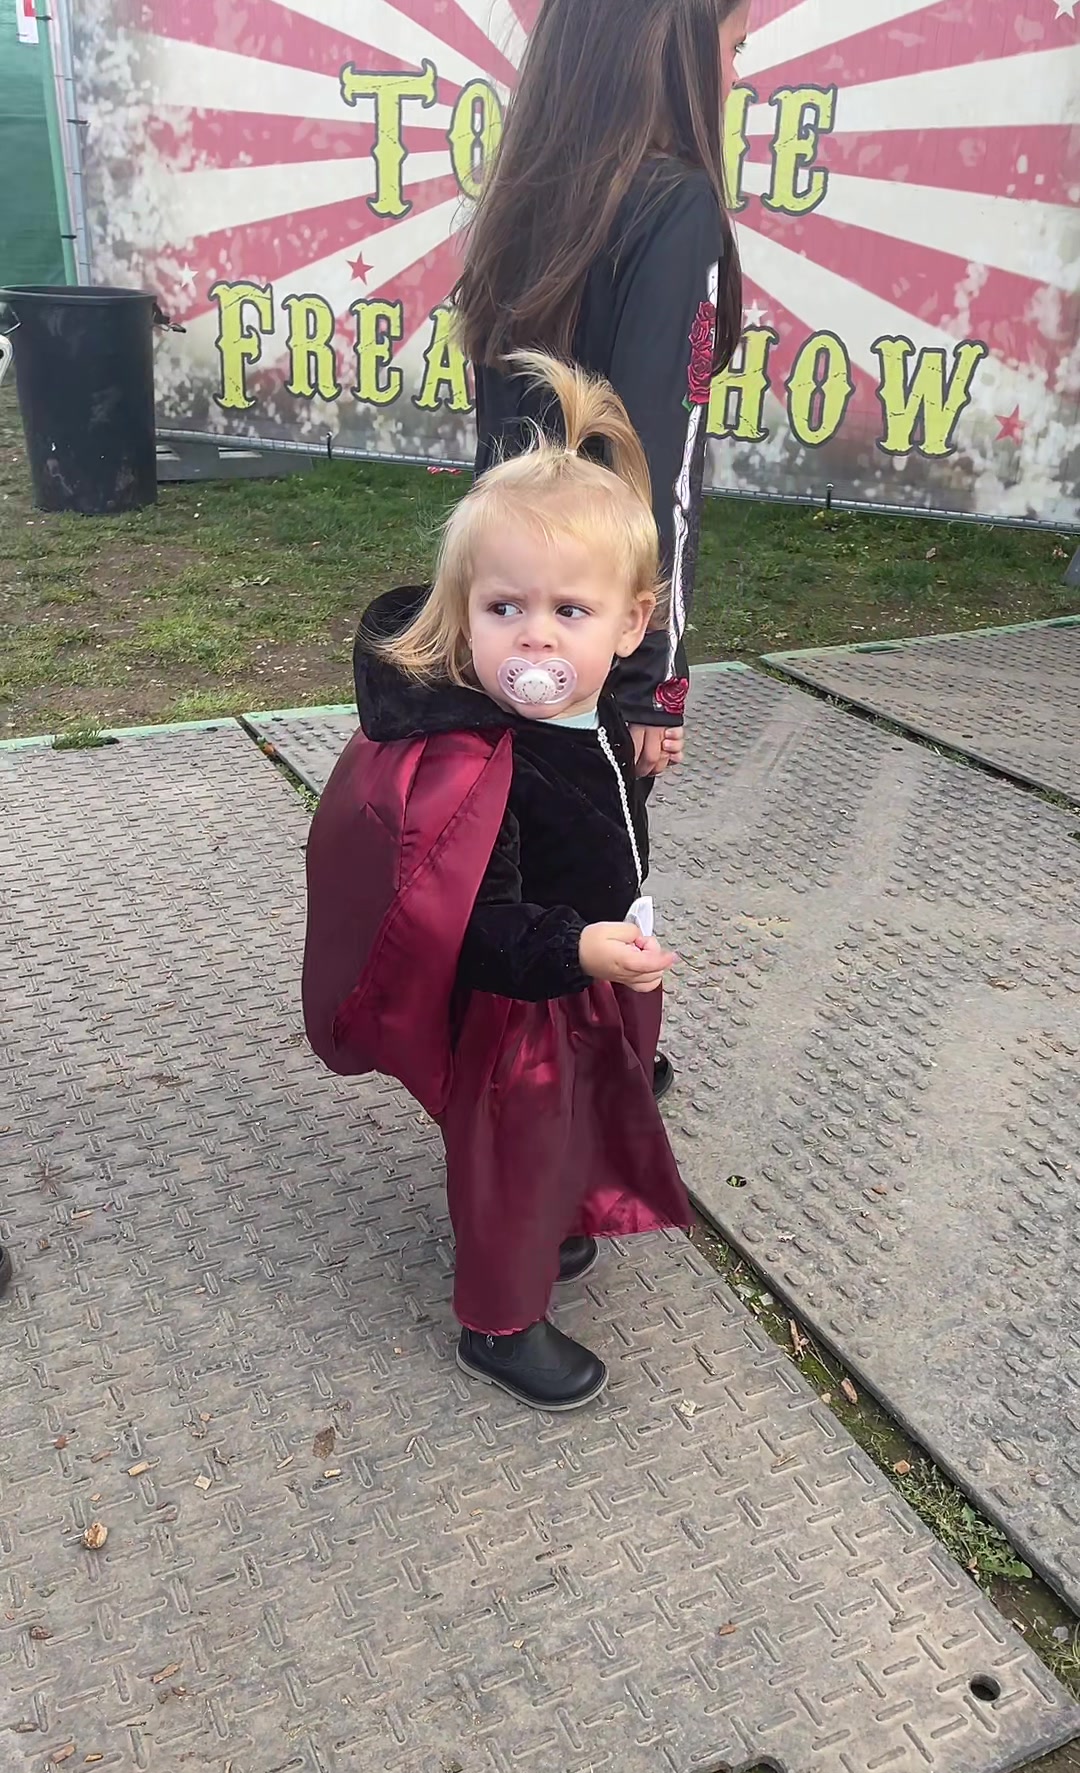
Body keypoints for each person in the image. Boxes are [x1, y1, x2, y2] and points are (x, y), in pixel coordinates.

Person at [303, 356, 690, 1412]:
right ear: (462, 612)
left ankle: (558, 1218)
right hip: (520, 1005)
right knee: (514, 1157)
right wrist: (578, 948)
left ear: (630, 624)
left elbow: (600, 814)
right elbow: (476, 925)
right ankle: (499, 1322)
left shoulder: (591, 716)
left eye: (571, 611)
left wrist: (636, 763)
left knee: (574, 1126)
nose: (536, 638)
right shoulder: (482, 765)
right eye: (505, 606)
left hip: (590, 968)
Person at [455, 0, 750, 1095]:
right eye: (733, 38)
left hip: (499, 614)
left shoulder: (529, 198)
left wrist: (484, 619)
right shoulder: (675, 201)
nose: (739, 64)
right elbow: (658, 460)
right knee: (594, 873)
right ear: (670, 37)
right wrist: (649, 680)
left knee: (509, 863)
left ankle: (503, 1080)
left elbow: (497, 452)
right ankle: (576, 1100)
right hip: (595, 635)